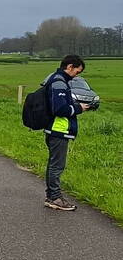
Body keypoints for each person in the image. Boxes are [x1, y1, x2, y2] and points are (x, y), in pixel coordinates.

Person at [43, 55, 89, 211]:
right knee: (57, 166)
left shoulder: (57, 80)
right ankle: (55, 198)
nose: (77, 75)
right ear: (69, 67)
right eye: (77, 71)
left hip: (55, 129)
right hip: (59, 130)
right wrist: (78, 108)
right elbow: (59, 109)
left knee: (53, 165)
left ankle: (52, 196)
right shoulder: (59, 83)